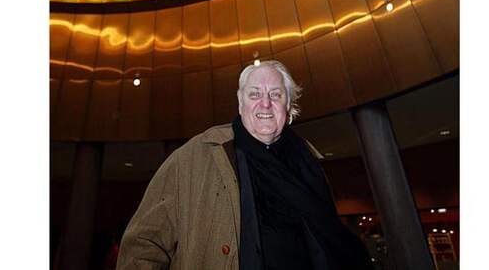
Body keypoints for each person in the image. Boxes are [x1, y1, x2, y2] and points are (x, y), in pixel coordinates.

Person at [117, 60, 373, 270]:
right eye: (255, 94)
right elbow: (143, 244)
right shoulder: (195, 156)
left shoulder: (309, 163)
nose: (265, 103)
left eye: (275, 94)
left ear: (288, 106)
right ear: (240, 104)